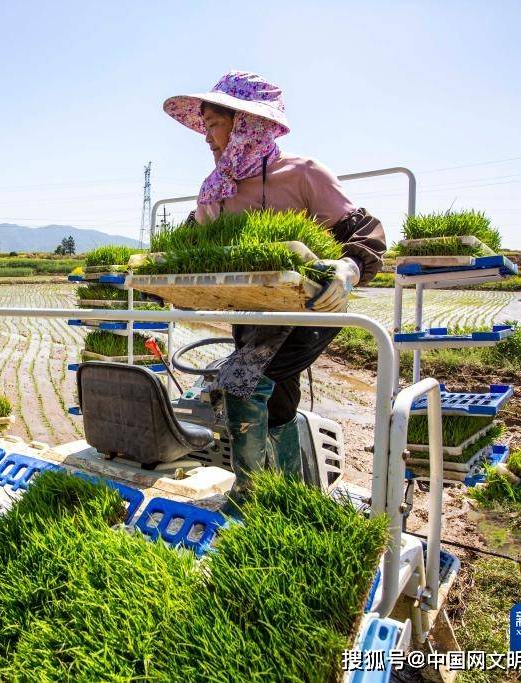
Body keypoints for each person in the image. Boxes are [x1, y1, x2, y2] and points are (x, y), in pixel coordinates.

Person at [162, 71, 386, 508]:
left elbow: (364, 230)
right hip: (252, 313)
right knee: (278, 400)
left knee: (244, 383)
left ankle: (250, 498)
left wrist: (348, 267)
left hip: (309, 311)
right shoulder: (216, 190)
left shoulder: (302, 174)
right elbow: (189, 250)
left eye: (214, 125)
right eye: (204, 125)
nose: (207, 137)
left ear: (248, 124)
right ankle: (290, 498)